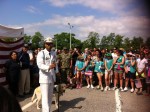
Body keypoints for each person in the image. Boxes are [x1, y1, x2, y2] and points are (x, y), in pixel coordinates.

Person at [36, 37, 59, 112]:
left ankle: (48, 110)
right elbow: (39, 65)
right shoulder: (41, 53)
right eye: (47, 44)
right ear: (45, 44)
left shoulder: (53, 53)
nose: (49, 45)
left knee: (49, 97)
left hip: (52, 77)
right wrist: (48, 67)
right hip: (44, 77)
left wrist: (57, 71)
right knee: (45, 97)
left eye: (50, 43)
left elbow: (55, 63)